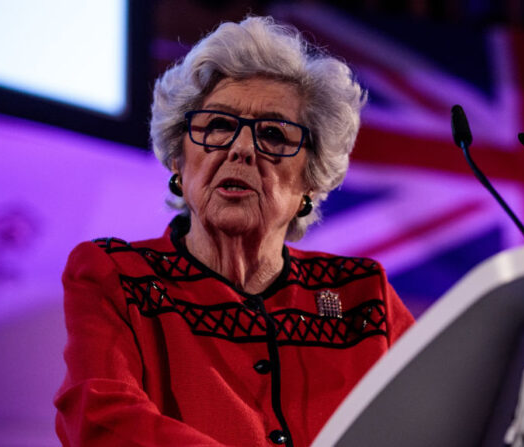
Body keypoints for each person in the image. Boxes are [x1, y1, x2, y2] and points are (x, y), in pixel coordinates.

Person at [54, 16, 415, 446]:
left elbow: (447, 416)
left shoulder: (362, 295)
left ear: (311, 181)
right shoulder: (118, 277)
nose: (241, 149)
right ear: (178, 160)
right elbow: (100, 418)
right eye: (218, 126)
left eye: (274, 134)